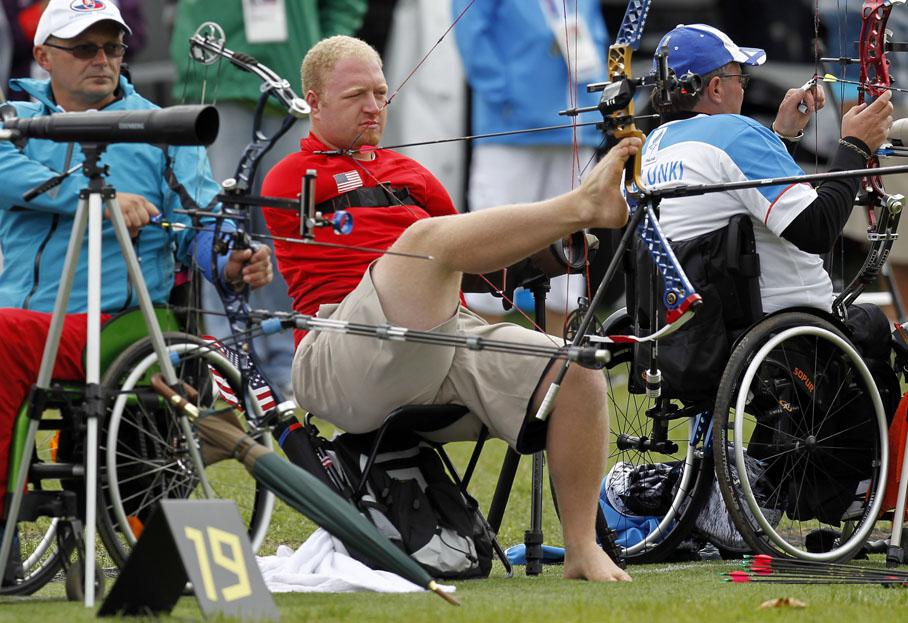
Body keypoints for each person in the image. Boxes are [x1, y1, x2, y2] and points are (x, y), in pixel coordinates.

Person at [262, 35, 636, 582]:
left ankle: (582, 549)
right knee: (426, 240)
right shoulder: (290, 176)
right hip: (339, 354)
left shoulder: (414, 176)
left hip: (438, 344)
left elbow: (476, 262)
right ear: (313, 102)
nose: (373, 107)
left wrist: (548, 256)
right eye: (356, 96)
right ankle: (581, 204)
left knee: (579, 369)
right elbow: (435, 247)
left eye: (381, 94)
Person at [0, 0, 272, 510]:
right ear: (43, 55)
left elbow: (203, 220)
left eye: (113, 47)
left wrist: (230, 258)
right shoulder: (15, 123)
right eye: (84, 48)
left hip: (117, 328)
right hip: (28, 322)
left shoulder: (163, 127)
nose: (102, 59)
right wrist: (98, 196)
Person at [169, 0, 368, 395]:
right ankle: (229, 366)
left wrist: (323, 54)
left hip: (290, 87)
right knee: (219, 226)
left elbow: (346, 5)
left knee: (290, 228)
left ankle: (289, 360)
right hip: (219, 85)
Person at [642, 24, 892, 323]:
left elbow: (737, 197)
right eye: (740, 77)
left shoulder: (650, 148)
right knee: (873, 325)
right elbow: (818, 228)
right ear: (716, 89)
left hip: (697, 340)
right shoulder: (735, 134)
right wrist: (855, 145)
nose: (744, 87)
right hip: (785, 334)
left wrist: (781, 136)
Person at [452, 0, 609, 333]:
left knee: (570, 248)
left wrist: (595, 101)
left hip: (576, 123)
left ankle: (558, 367)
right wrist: (505, 96)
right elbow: (471, 34)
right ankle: (480, 367)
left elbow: (594, 33)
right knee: (490, 243)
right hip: (510, 129)